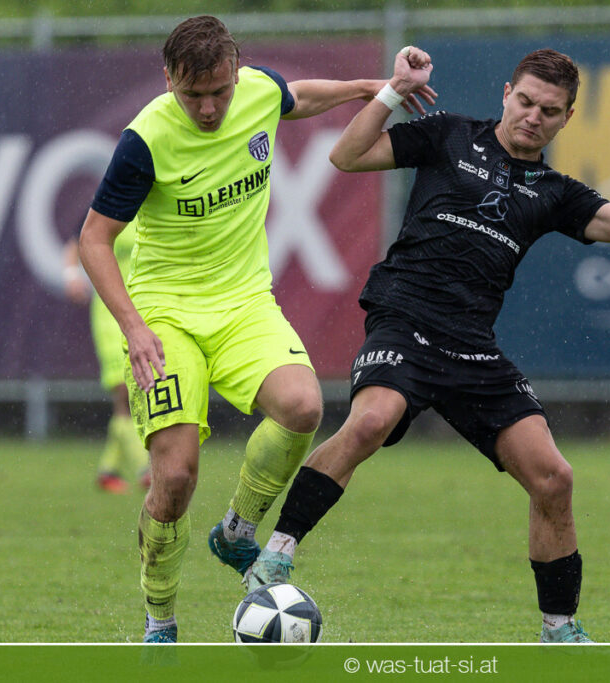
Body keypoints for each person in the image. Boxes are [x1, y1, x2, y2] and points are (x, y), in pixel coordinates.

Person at [244, 46, 610, 644]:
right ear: (506, 93)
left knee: (553, 478)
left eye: (549, 111)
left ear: (567, 118)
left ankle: (560, 629)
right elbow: (346, 156)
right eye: (525, 101)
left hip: (471, 345)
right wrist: (392, 92)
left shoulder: (555, 192)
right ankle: (276, 556)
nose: (532, 116)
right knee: (372, 420)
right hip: (405, 318)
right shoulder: (449, 135)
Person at [77, 15, 436, 643]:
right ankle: (160, 617)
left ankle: (237, 530)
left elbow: (298, 96)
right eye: (192, 94)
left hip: (243, 304)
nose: (208, 108)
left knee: (303, 406)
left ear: (237, 74)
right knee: (175, 477)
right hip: (165, 314)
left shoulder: (258, 91)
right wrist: (134, 327)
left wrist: (373, 88)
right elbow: (93, 239)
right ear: (168, 79)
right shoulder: (145, 140)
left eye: (219, 91)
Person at [63, 230, 150, 494]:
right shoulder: (112, 209)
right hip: (110, 315)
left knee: (139, 392)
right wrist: (72, 276)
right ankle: (145, 469)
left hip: (144, 310)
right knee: (125, 390)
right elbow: (76, 242)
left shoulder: (153, 211)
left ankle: (108, 470)